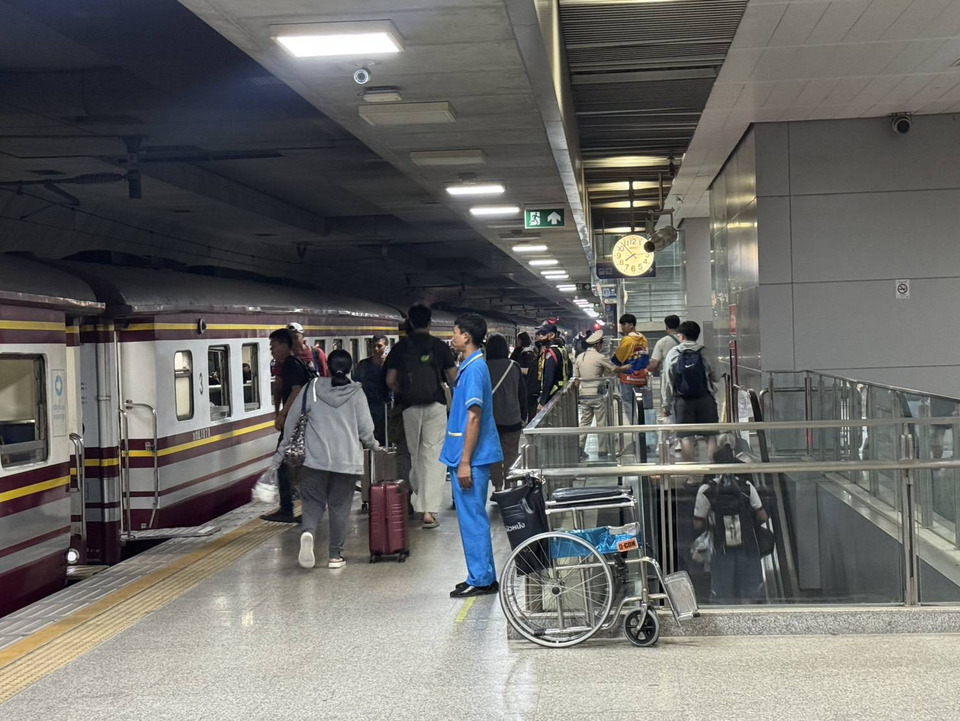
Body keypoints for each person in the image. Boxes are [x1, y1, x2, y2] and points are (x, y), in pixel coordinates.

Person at [272, 349, 378, 570]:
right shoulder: (356, 393)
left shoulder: (311, 388)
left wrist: (279, 456)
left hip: (314, 460)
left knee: (312, 503)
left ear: (327, 367)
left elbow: (291, 423)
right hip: (346, 461)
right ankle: (335, 556)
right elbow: (366, 430)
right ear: (350, 368)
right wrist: (374, 445)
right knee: (339, 507)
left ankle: (308, 532)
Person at [441, 313, 503, 598]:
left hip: (472, 458)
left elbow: (474, 416)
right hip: (468, 455)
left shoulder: (475, 369)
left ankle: (481, 579)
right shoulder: (471, 366)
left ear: (466, 336)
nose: (452, 338)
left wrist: (465, 461)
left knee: (472, 519)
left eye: (455, 333)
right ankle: (481, 575)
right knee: (472, 517)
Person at [385, 304, 457, 529]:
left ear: (411, 322)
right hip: (435, 406)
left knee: (415, 455)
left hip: (409, 407)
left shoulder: (400, 347)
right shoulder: (439, 346)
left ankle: (417, 498)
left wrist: (404, 392)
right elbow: (453, 377)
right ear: (429, 322)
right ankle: (429, 512)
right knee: (433, 456)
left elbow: (390, 380)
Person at [693, 441, 769, 603]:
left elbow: (698, 524)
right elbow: (763, 516)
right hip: (748, 547)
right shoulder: (746, 486)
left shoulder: (706, 490)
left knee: (723, 596)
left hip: (720, 549)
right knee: (752, 594)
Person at [261, 328, 312, 524]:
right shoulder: (295, 363)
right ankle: (301, 508)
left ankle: (287, 509)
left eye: (273, 346)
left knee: (284, 464)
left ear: (284, 345)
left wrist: (282, 414)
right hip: (302, 423)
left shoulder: (291, 364)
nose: (272, 350)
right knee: (298, 466)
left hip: (296, 424)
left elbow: (296, 391)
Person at [661, 320, 721, 484]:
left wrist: (666, 404)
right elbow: (716, 376)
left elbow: (668, 382)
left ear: (681, 336)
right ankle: (714, 474)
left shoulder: (673, 353)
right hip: (705, 398)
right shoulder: (705, 352)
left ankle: (692, 477)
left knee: (686, 437)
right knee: (710, 436)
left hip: (683, 401)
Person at [572, 330, 630, 460]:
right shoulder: (600, 357)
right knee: (601, 422)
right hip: (598, 394)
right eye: (601, 344)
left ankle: (580, 447)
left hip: (584, 394)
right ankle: (603, 450)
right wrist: (625, 368)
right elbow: (614, 369)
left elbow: (576, 378)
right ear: (597, 344)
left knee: (585, 421)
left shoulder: (580, 357)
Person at [485, 333, 527, 492]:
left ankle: (497, 488)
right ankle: (510, 487)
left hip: (491, 421)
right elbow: (521, 393)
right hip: (512, 419)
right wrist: (523, 416)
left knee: (494, 455)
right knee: (511, 455)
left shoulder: (483, 367)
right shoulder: (514, 366)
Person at [612, 314, 649, 425]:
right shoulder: (644, 339)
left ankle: (634, 427)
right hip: (641, 376)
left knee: (628, 403)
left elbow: (618, 358)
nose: (622, 327)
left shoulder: (627, 339)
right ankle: (643, 427)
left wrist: (613, 366)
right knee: (641, 403)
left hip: (628, 377)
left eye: (624, 324)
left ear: (631, 325)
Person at [355, 334, 391, 444]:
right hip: (368, 406)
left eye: (379, 346)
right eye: (373, 346)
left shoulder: (391, 365)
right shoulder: (363, 365)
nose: (376, 349)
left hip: (386, 407)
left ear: (386, 347)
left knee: (386, 438)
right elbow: (356, 384)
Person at [536, 323, 566, 412]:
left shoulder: (551, 353)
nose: (540, 336)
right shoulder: (561, 349)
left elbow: (549, 378)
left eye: (543, 333)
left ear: (552, 335)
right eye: (539, 333)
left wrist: (542, 401)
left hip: (553, 394)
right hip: (560, 390)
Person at [511, 331, 540, 422]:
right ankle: (530, 423)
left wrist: (517, 369)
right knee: (531, 407)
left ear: (520, 340)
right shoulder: (534, 350)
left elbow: (528, 370)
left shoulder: (523, 352)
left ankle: (526, 422)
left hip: (525, 384)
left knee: (526, 404)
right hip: (532, 385)